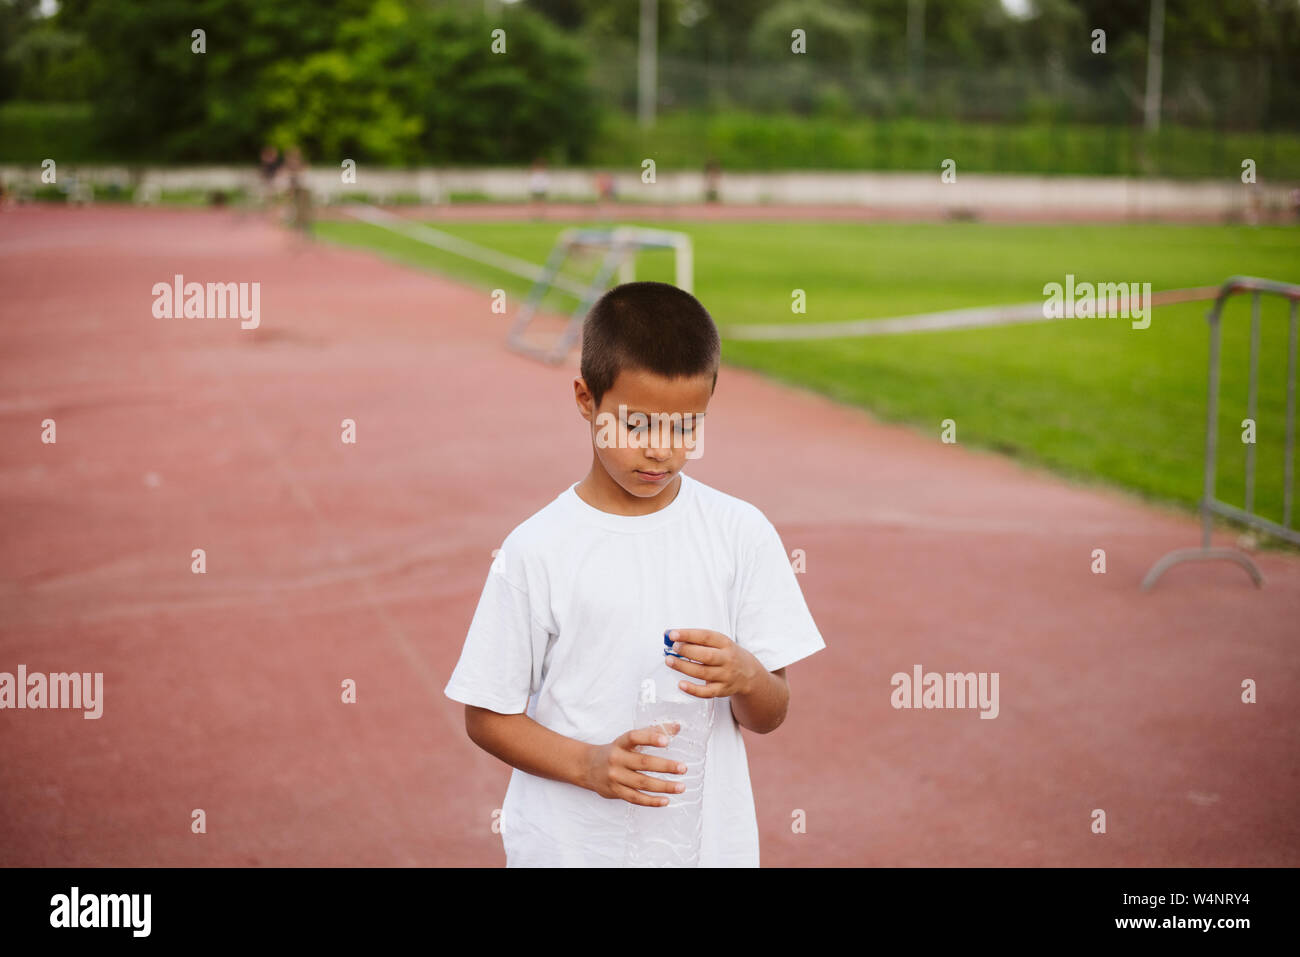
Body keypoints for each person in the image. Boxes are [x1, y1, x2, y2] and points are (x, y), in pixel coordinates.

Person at [444, 281, 826, 867]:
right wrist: (588, 765)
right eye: (636, 425)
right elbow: (487, 715)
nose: (660, 451)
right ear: (585, 399)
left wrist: (748, 676)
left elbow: (771, 711)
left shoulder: (740, 532)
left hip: (705, 849)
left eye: (684, 427)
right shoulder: (536, 549)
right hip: (572, 848)